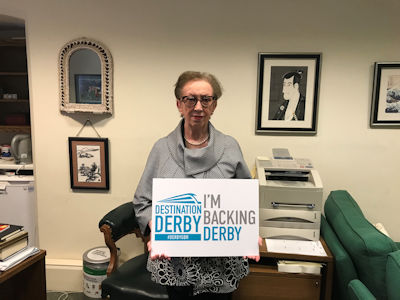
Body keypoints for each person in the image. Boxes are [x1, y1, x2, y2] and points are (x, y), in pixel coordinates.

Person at [133, 71, 260, 299]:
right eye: (190, 99)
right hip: (177, 261)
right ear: (179, 104)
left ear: (214, 105)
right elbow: (143, 200)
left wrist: (249, 232)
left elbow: (244, 199)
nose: (198, 107)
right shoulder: (161, 149)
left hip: (220, 261)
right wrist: (158, 228)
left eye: (206, 99)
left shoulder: (230, 147)